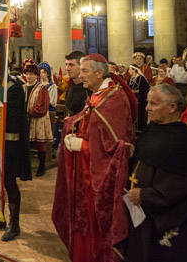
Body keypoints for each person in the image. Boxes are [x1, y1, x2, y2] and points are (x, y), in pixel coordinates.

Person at [52, 53, 136, 262]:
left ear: (99, 73)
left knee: (95, 223)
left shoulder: (114, 98)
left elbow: (117, 148)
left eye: (84, 71)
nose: (80, 76)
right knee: (82, 220)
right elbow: (87, 120)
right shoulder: (97, 93)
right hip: (84, 170)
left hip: (99, 177)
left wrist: (84, 145)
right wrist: (73, 127)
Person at [124, 85, 187, 262]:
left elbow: (180, 185)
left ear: (172, 107)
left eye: (153, 104)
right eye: (147, 103)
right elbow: (146, 159)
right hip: (139, 213)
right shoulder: (152, 129)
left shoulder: (184, 139)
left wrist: (145, 194)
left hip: (161, 219)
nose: (147, 108)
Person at [0, 69, 31, 241]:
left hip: (10, 144)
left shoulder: (14, 87)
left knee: (9, 182)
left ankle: (14, 224)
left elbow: (13, 117)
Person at [23, 62, 52, 177]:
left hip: (38, 120)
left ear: (36, 76)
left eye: (31, 74)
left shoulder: (42, 88)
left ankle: (41, 167)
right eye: (27, 74)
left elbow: (42, 107)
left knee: (40, 144)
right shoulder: (23, 87)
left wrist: (29, 111)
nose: (29, 76)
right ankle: (26, 167)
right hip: (26, 119)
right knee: (25, 144)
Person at [38, 62, 59, 152]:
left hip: (49, 111)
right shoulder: (38, 85)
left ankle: (50, 149)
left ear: (47, 73)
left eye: (43, 72)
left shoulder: (52, 86)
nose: (41, 74)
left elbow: (53, 102)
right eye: (40, 72)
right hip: (39, 111)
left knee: (50, 132)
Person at [64, 51, 90, 117]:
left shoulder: (89, 89)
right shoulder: (71, 85)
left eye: (71, 65)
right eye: (66, 64)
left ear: (82, 66)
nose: (67, 68)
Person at [129, 65, 150, 131]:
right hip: (132, 101)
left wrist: (135, 91)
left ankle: (141, 130)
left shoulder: (141, 78)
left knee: (140, 115)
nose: (128, 71)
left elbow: (146, 89)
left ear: (134, 70)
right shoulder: (130, 79)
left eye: (130, 69)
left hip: (140, 101)